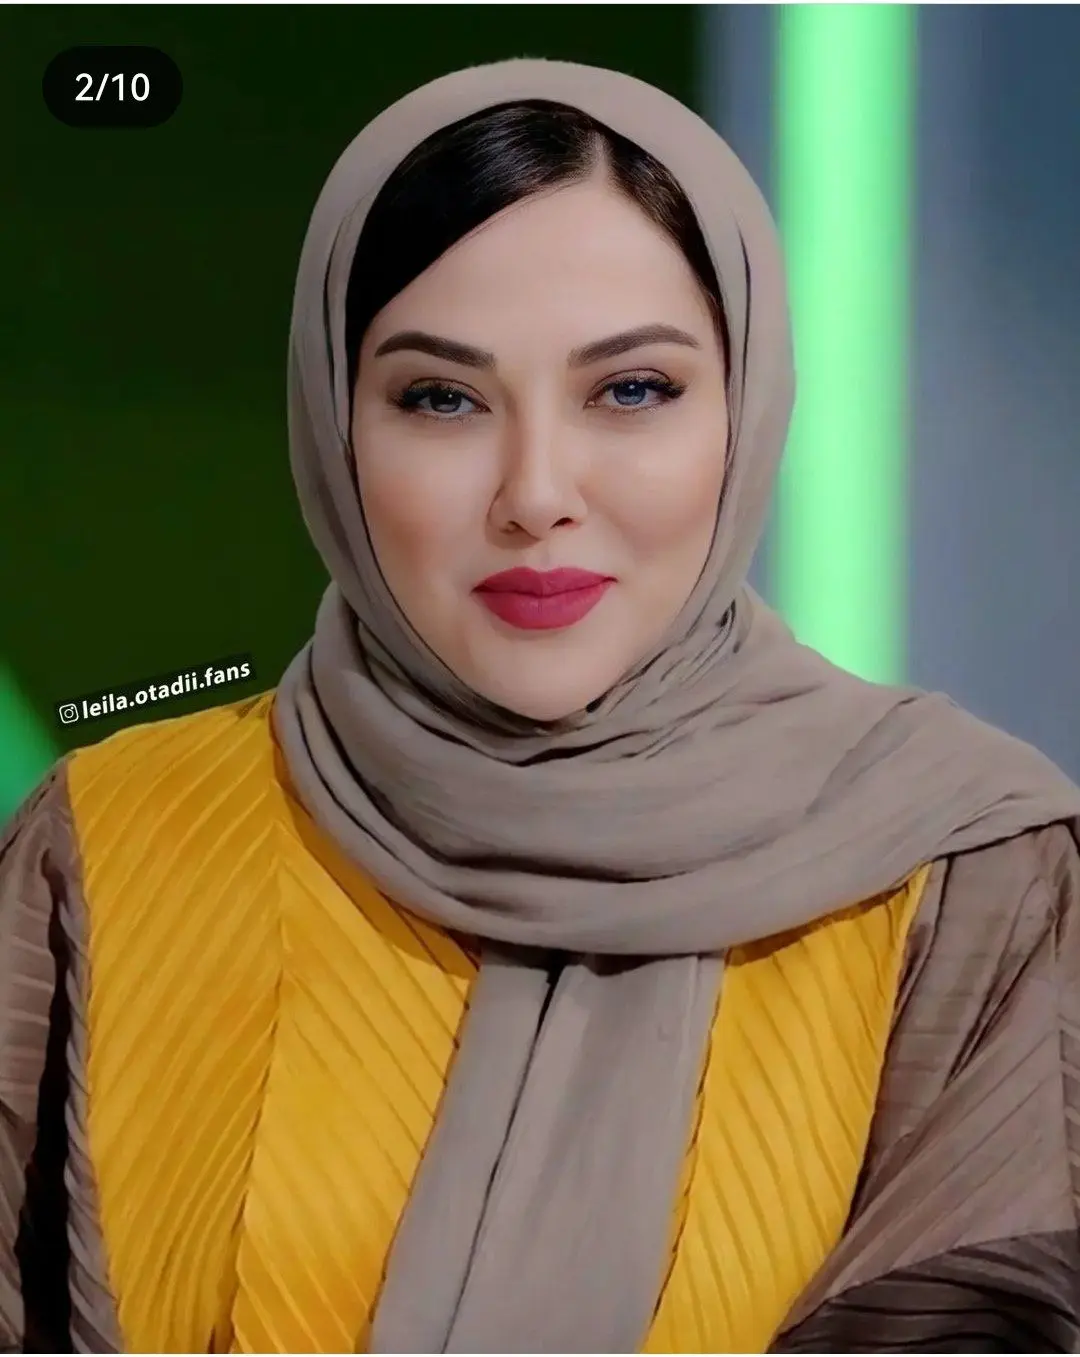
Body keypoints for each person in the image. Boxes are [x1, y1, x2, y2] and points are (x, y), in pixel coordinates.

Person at [2, 58, 1079, 1356]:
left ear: (749, 407)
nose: (536, 495)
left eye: (632, 390)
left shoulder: (974, 878)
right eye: (441, 399)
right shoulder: (110, 847)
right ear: (333, 424)